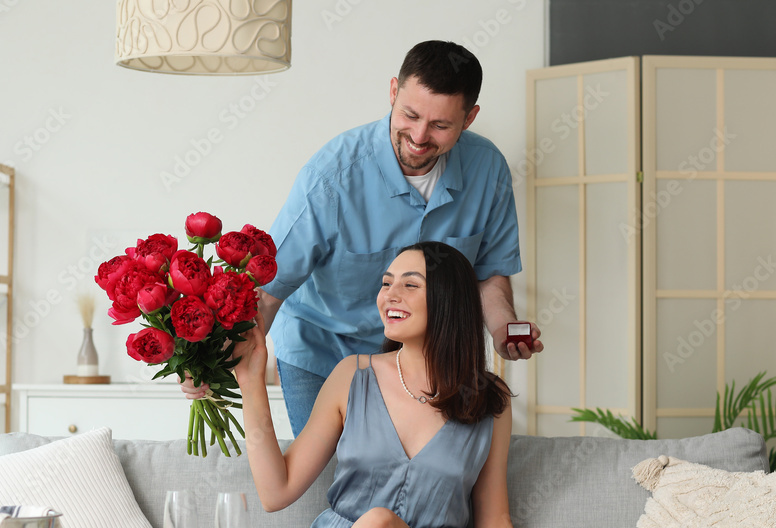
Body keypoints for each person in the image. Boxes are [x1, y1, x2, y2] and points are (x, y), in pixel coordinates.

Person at [233, 242, 621, 528]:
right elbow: (275, 491)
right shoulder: (353, 375)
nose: (390, 295)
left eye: (410, 285)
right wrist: (251, 384)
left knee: (380, 526)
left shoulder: (490, 403)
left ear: (449, 300)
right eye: (386, 284)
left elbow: (494, 524)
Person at [183, 40, 542, 437]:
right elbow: (269, 292)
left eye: (441, 125)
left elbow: (489, 274)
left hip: (425, 359)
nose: (420, 136)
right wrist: (212, 367)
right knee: (333, 479)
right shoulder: (331, 177)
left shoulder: (487, 169)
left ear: (470, 118)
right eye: (409, 114)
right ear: (393, 92)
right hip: (322, 353)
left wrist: (502, 328)